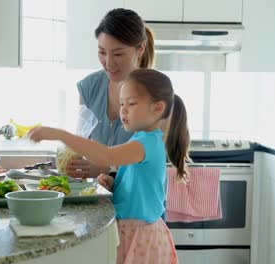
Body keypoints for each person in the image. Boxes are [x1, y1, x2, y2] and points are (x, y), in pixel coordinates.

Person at [29, 68, 190, 264]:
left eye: (131, 103)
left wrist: (59, 134)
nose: (123, 110)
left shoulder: (147, 143)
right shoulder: (140, 138)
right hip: (131, 230)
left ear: (157, 108)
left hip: (140, 236)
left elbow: (105, 156)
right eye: (122, 103)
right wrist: (114, 183)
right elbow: (136, 182)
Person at [65, 8, 155, 179]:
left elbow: (153, 161)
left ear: (141, 48)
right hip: (99, 198)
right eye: (102, 52)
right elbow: (83, 141)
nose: (108, 63)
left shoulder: (154, 93)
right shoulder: (89, 87)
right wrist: (74, 161)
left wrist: (106, 169)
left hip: (138, 200)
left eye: (118, 54)